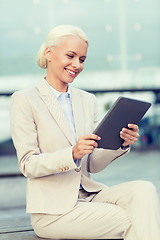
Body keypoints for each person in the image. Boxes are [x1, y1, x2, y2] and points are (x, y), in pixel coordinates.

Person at [10, 25, 160, 240]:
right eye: (70, 56)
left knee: (144, 189)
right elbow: (28, 164)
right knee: (134, 217)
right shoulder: (25, 99)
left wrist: (121, 143)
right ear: (49, 53)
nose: (76, 65)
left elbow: (93, 165)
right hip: (53, 212)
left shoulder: (87, 100)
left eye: (82, 59)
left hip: (90, 196)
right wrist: (72, 153)